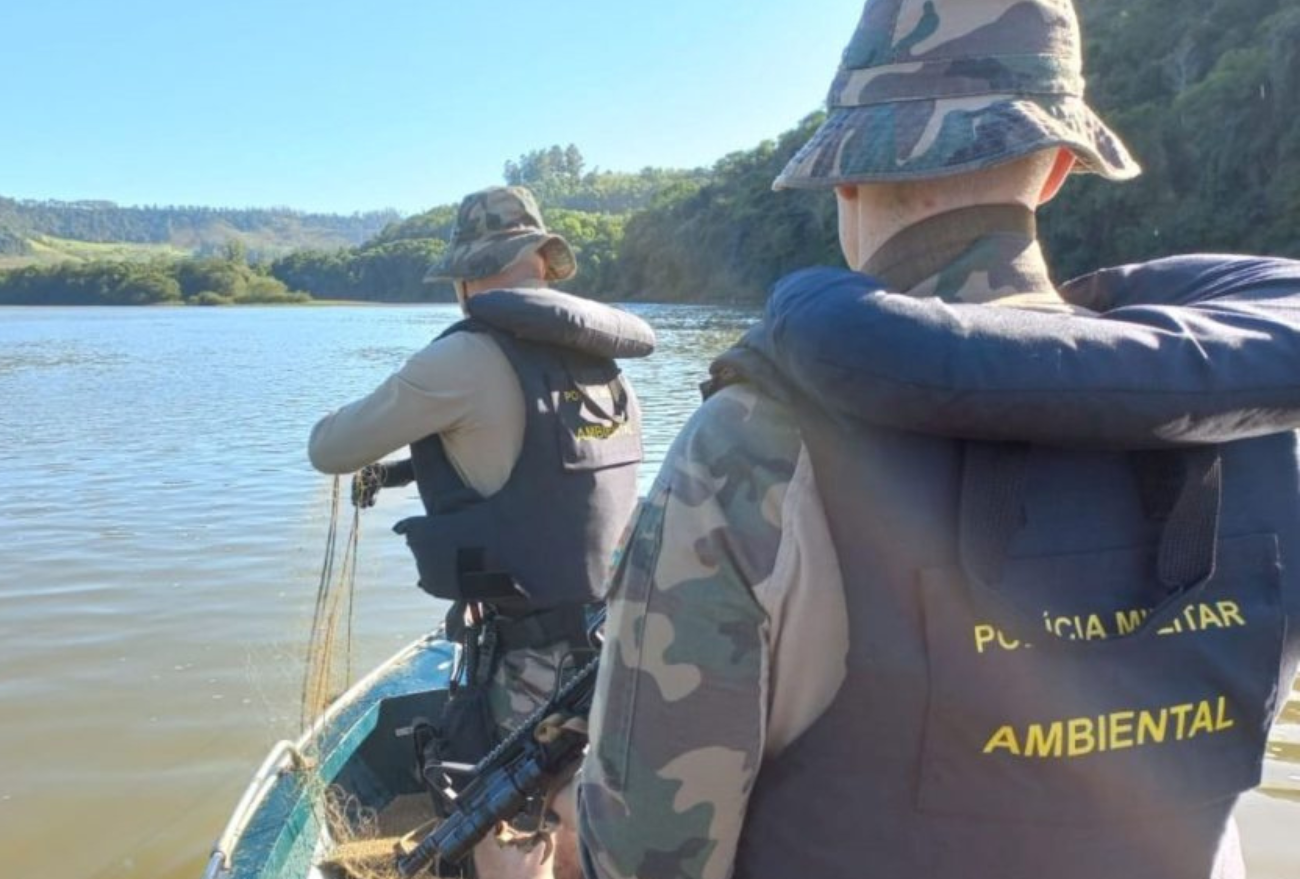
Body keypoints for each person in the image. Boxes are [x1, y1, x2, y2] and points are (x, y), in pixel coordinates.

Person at [563, 3, 1300, 879]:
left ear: (844, 176)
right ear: (1060, 169)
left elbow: (647, 858)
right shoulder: (1264, 431)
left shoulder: (753, 444)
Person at [308, 185, 655, 772]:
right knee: (584, 796)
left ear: (466, 277)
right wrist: (401, 472)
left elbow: (330, 449)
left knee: (514, 823)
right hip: (626, 634)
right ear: (544, 263)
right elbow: (537, 463)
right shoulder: (601, 364)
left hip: (533, 654)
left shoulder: (461, 359)